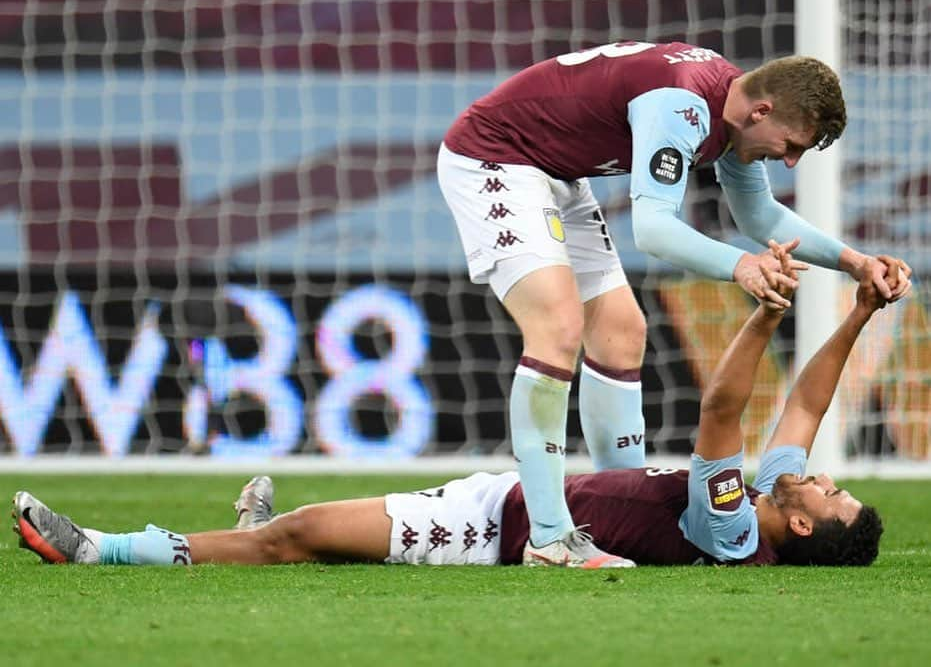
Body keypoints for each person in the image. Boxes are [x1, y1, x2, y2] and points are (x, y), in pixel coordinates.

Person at [12, 245, 905, 568]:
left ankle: (100, 550)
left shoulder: (731, 529)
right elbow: (805, 406)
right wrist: (859, 311)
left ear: (795, 527)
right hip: (511, 505)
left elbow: (722, 410)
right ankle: (269, 527)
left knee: (300, 537)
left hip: (489, 540)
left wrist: (761, 315)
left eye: (827, 495)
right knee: (314, 533)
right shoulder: (772, 497)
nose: (820, 477)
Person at [435, 39, 911, 567]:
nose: (792, 161)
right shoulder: (680, 104)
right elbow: (654, 230)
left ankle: (613, 513)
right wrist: (741, 266)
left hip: (558, 175)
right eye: (793, 144)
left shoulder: (730, 114)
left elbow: (761, 217)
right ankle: (549, 537)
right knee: (559, 326)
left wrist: (855, 263)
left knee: (621, 330)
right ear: (763, 111)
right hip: (495, 157)